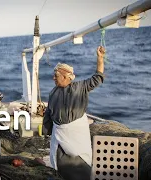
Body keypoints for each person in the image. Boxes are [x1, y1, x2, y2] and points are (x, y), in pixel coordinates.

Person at [43, 46, 106, 180]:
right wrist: (46, 130)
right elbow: (48, 113)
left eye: (56, 75)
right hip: (60, 134)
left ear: (66, 77)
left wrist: (100, 58)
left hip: (76, 133)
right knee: (61, 165)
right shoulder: (53, 92)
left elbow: (98, 78)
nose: (53, 78)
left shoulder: (80, 87)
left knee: (80, 164)